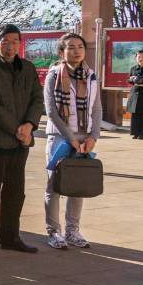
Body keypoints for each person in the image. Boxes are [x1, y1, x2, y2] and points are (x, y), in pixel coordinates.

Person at [0, 23, 44, 256]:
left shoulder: (28, 68)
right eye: (5, 41)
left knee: (16, 192)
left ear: (20, 43)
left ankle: (11, 237)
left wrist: (30, 125)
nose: (10, 45)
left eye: (15, 41)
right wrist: (17, 128)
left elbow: (37, 99)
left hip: (20, 142)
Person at [43, 33, 102, 250]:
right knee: (54, 185)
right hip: (59, 136)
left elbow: (96, 108)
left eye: (80, 46)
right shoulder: (54, 75)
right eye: (70, 47)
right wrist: (70, 138)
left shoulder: (91, 76)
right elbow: (51, 111)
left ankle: (72, 230)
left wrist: (93, 136)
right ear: (61, 52)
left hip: (84, 136)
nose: (76, 51)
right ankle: (53, 231)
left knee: (78, 184)